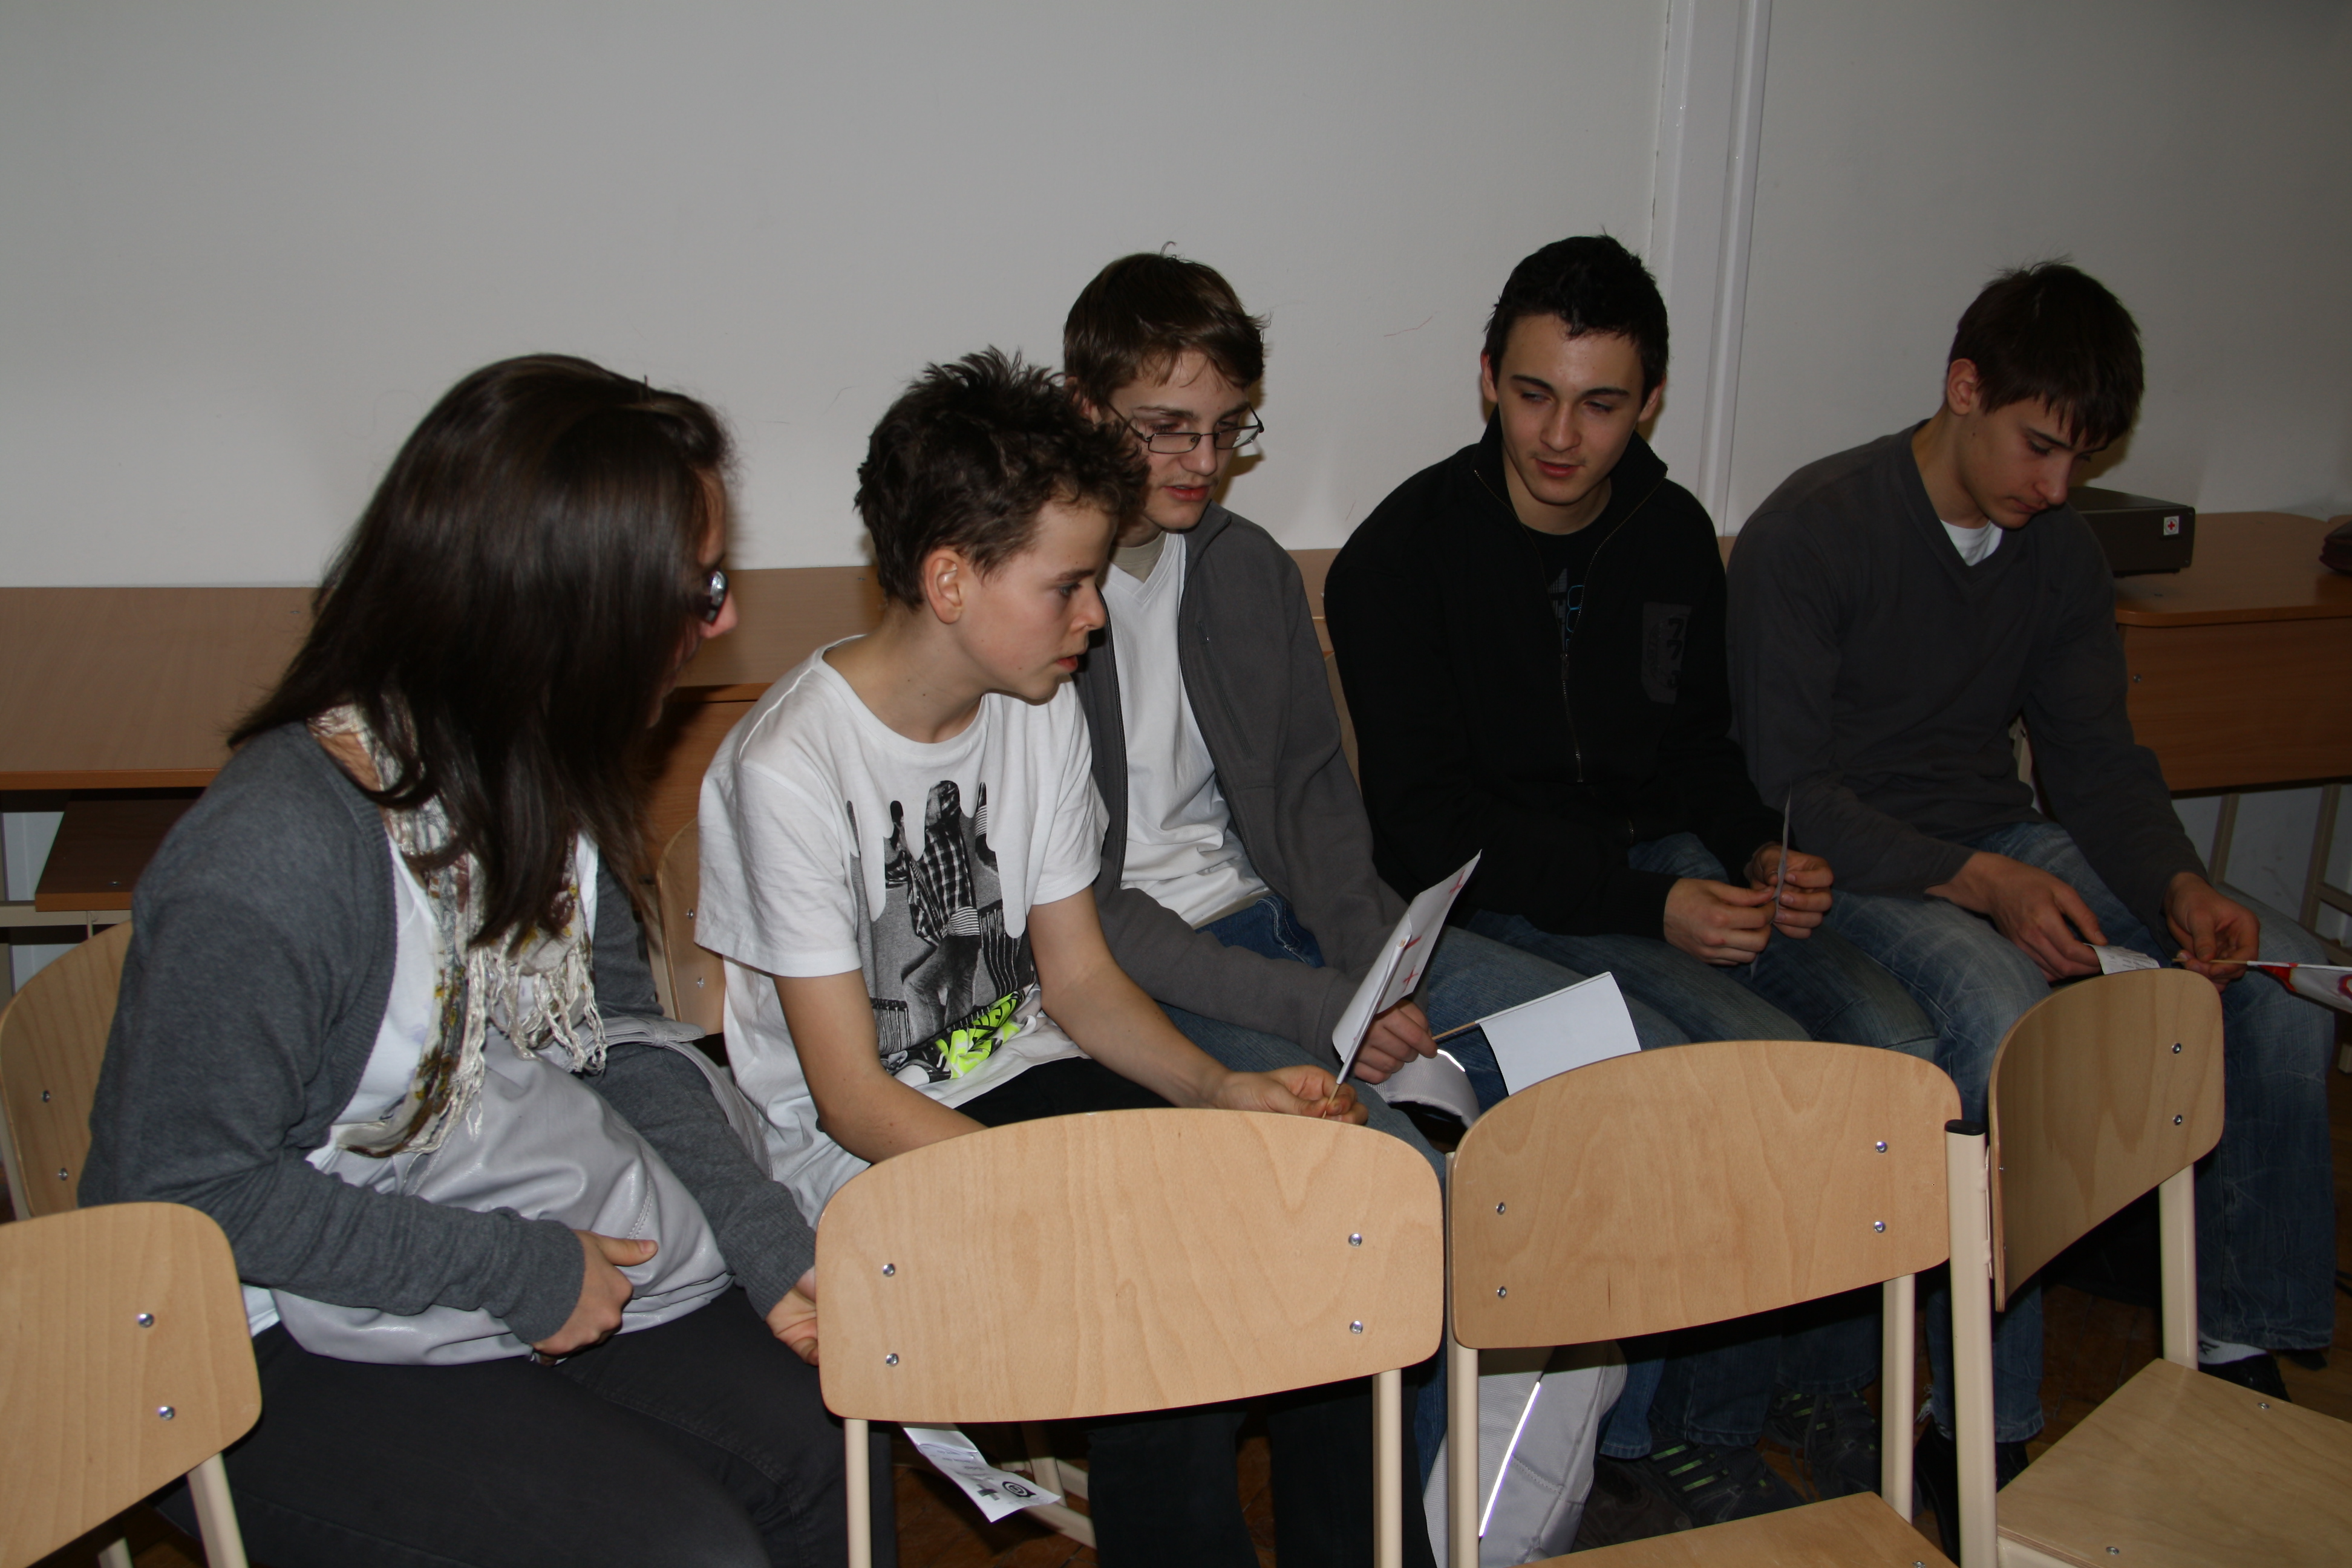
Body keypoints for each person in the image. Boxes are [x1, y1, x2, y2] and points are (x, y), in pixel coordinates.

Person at [80, 355, 872, 1568]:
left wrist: (765, 1242)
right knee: (679, 1550)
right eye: (695, 589)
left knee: (827, 1439)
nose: (718, 622)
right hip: (242, 1329)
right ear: (563, 611)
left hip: (472, 1225)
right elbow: (185, 1196)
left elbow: (619, 1047)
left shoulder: (542, 773)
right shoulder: (275, 854)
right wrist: (512, 1268)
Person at [696, 348, 1423, 1568]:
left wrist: (1218, 1090)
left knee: (1323, 1243)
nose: (1095, 616)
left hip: (1026, 1084)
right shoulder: (789, 771)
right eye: (1069, 586)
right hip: (873, 1155)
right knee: (1160, 1312)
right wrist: (1092, 1198)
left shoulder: (1036, 710)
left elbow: (1079, 982)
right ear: (950, 579)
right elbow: (852, 1098)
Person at [1326, 235, 1939, 1528]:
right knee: (1733, 1079)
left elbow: (1702, 749)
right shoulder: (1402, 554)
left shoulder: (1667, 534)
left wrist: (1757, 845)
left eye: (1601, 404)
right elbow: (1427, 828)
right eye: (1534, 394)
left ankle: (1812, 1387)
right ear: (1487, 378)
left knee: (1889, 1050)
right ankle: (1664, 1435)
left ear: (1649, 403)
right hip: (1495, 895)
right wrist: (1650, 902)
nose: (1562, 436)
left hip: (1657, 863)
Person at [1725, 260, 2336, 1549]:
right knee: (2004, 1018)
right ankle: (1978, 1423)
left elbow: (2097, 759)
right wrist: (1984, 884)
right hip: (1856, 865)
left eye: (2082, 459)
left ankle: (2236, 1347)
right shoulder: (1815, 530)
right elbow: (1789, 791)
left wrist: (2178, 884)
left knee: (2275, 979)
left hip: (1995, 835)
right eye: (2041, 447)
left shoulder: (2054, 550)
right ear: (1964, 390)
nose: (2057, 489)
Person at [1059, 250, 1651, 1511]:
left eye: (1228, 430)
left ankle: (1550, 1467)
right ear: (1082, 408)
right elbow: (1093, 920)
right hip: (1150, 973)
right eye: (1167, 428)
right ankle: (1422, 1522)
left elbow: (1322, 806)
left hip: (1285, 925)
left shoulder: (1247, 568)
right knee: (1401, 1187)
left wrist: (1380, 966)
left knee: (1613, 1066)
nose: (1201, 462)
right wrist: (1327, 1007)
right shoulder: (1043, 596)